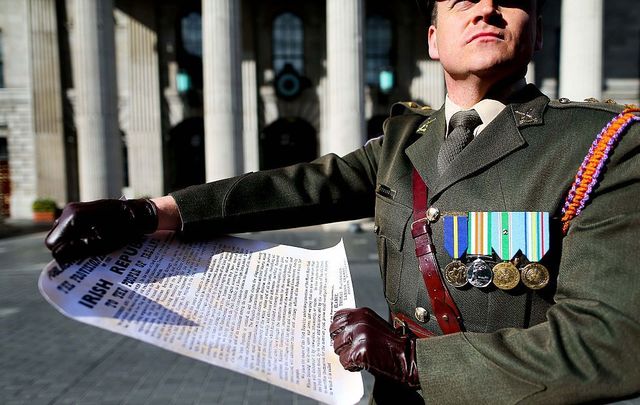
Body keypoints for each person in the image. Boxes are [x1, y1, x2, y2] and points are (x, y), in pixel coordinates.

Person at [46, 0, 640, 403]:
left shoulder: (601, 145)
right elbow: (300, 187)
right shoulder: (408, 143)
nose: (484, 7)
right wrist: (149, 212)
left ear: (537, 30)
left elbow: (611, 341)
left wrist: (415, 363)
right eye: (460, 0)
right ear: (433, 38)